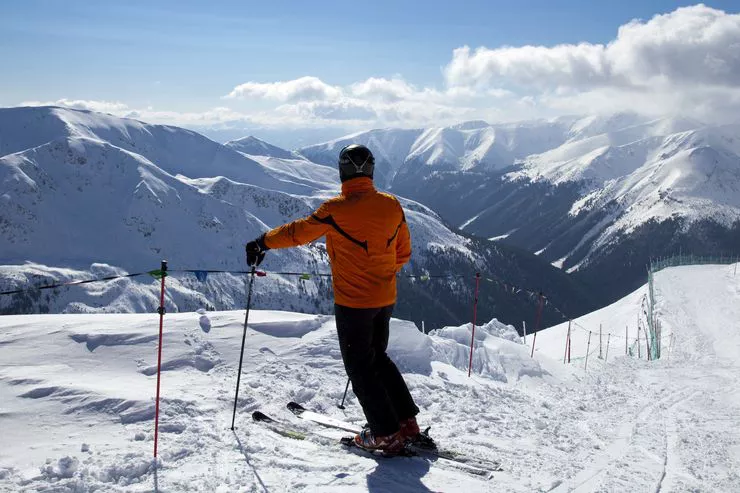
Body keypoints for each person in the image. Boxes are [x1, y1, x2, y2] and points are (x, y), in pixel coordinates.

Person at [245, 144, 420, 454]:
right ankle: (406, 424)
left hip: (354, 303)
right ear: (371, 171)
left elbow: (298, 232)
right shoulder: (392, 205)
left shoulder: (335, 211)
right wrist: (380, 272)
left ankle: (385, 433)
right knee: (378, 358)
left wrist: (262, 242)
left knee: (360, 366)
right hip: (385, 297)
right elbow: (403, 252)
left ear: (342, 172)